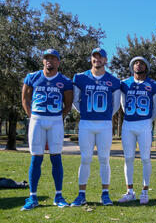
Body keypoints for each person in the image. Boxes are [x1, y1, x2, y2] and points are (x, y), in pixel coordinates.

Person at [20, 48, 73, 210]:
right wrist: (32, 116)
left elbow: (68, 104)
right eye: (47, 58)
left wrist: (58, 117)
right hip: (37, 119)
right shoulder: (32, 77)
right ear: (43, 61)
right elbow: (25, 99)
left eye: (53, 58)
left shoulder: (65, 81)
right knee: (36, 158)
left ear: (58, 61)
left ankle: (59, 196)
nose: (49, 61)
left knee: (56, 158)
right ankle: (32, 197)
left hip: (55, 120)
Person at [70, 47, 121, 206]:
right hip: (86, 123)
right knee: (85, 159)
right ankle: (81, 194)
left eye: (100, 57)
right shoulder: (80, 78)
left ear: (106, 60)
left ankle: (105, 194)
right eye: (94, 57)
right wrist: (87, 113)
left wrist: (105, 116)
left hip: (105, 124)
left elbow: (116, 105)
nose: (97, 60)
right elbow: (75, 101)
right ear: (91, 59)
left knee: (104, 159)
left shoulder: (113, 80)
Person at [118, 56, 156, 204]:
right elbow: (123, 104)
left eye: (141, 63)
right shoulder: (125, 83)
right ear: (132, 67)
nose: (138, 65)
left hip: (144, 124)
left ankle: (144, 190)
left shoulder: (153, 84)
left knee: (145, 158)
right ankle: (130, 191)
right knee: (128, 158)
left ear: (146, 67)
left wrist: (148, 120)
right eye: (135, 63)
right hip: (128, 124)